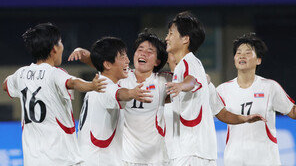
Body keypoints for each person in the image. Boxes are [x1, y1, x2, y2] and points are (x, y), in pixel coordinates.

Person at [164, 12, 265, 165]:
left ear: (185, 39)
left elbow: (192, 81)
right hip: (202, 152)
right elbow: (221, 112)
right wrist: (243, 118)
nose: (167, 38)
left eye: (171, 33)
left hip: (191, 153)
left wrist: (181, 86)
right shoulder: (197, 68)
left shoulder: (187, 63)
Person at [2, 23, 106, 166]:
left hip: (32, 160)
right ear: (53, 49)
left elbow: (6, 85)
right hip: (61, 158)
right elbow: (73, 82)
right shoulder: (55, 73)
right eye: (61, 42)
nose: (62, 46)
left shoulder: (21, 74)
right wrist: (91, 86)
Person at [69, 30, 171, 165]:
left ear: (157, 61)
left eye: (150, 51)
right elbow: (107, 65)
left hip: (155, 158)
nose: (143, 53)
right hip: (126, 158)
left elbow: (186, 81)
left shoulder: (163, 81)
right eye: (140, 49)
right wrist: (83, 53)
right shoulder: (123, 77)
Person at [216, 33, 296, 166]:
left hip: (265, 160)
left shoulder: (270, 87)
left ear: (258, 60)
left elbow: (292, 112)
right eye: (238, 53)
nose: (242, 56)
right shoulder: (222, 90)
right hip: (234, 160)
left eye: (248, 53)